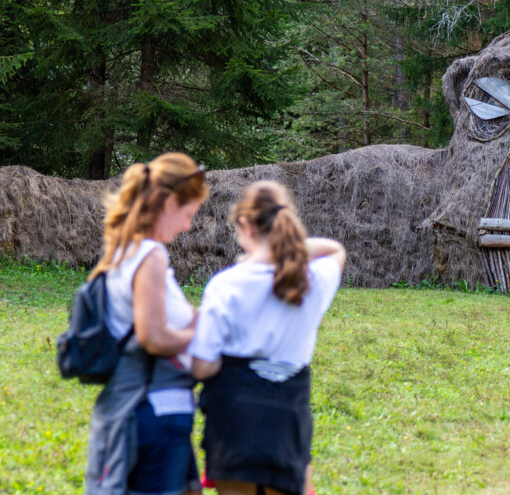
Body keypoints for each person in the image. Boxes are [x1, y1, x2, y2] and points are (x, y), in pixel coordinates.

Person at [189, 180, 346, 495]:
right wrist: (285, 251)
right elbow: (335, 249)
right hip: (288, 419)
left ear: (245, 224)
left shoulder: (225, 285)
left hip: (233, 420)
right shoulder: (313, 279)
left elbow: (201, 367)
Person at [84, 152, 208, 495]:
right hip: (155, 409)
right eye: (188, 214)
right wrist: (202, 328)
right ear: (168, 202)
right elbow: (153, 336)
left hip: (140, 406)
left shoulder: (124, 250)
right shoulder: (150, 255)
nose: (187, 226)